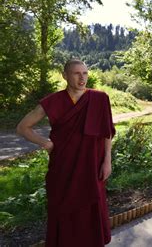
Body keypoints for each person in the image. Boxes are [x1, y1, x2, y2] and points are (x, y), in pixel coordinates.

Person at [16, 59, 115, 247]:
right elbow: (22, 127)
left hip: (92, 166)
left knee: (91, 208)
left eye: (85, 73)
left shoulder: (100, 98)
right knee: (62, 210)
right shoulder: (52, 101)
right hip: (63, 168)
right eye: (76, 73)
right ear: (65, 76)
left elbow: (107, 132)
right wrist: (46, 143)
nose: (82, 78)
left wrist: (107, 161)